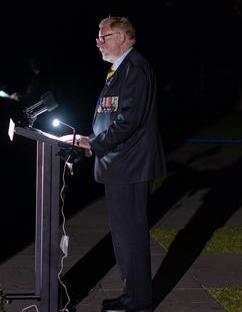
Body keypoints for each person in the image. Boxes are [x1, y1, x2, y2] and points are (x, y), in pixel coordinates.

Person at [68, 16, 166, 312]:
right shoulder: (119, 69)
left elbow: (128, 122)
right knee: (124, 236)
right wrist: (90, 138)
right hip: (119, 164)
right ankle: (132, 295)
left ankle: (138, 301)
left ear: (123, 37)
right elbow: (113, 116)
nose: (98, 41)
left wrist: (93, 143)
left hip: (130, 165)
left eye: (104, 36)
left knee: (131, 235)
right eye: (98, 36)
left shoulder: (134, 68)